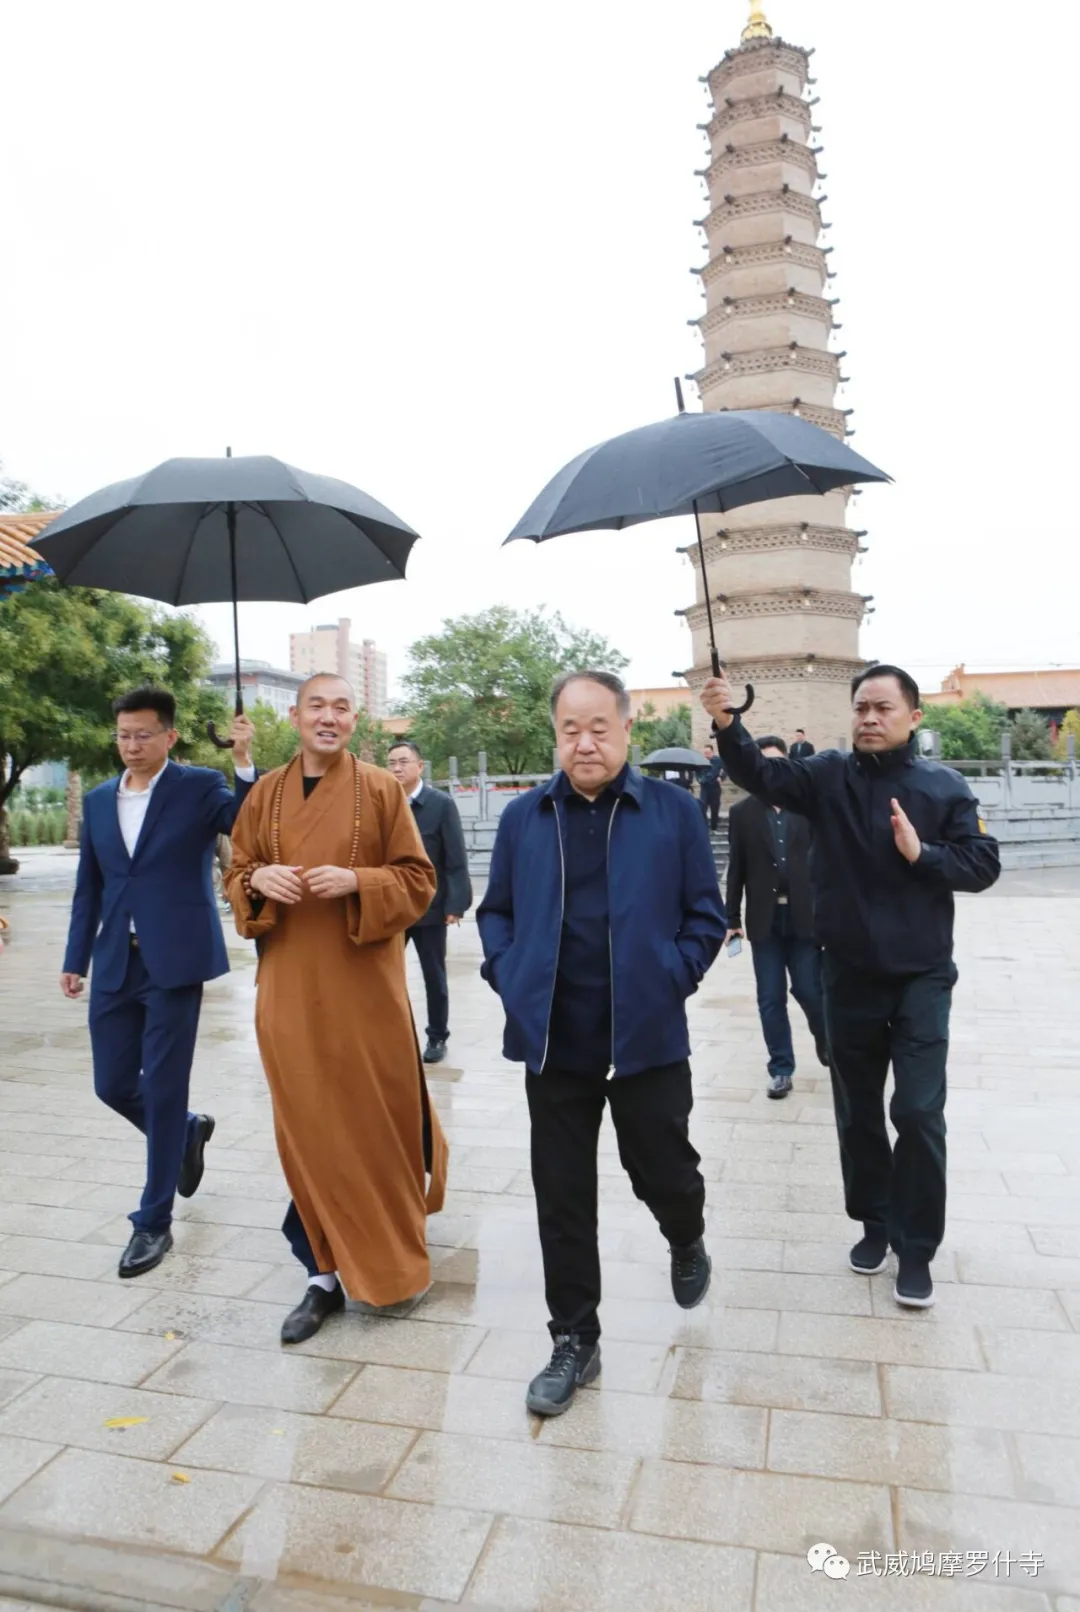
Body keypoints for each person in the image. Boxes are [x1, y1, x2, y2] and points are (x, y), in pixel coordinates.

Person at [702, 663, 1000, 1310]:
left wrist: (924, 854)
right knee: (857, 1110)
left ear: (914, 717)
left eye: (883, 708)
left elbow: (983, 864)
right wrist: (729, 723)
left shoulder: (943, 787)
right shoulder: (826, 777)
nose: (869, 717)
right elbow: (760, 775)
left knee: (918, 1111)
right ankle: (874, 1221)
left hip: (922, 976)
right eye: (861, 706)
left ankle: (916, 1246)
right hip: (847, 973)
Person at [478, 670, 726, 1416]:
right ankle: (573, 1339)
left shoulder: (672, 813)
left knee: (665, 1171)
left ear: (625, 731)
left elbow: (705, 916)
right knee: (562, 1196)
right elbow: (496, 913)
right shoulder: (525, 818)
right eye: (569, 730)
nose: (583, 742)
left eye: (598, 728)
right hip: (555, 1045)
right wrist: (510, 973)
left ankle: (686, 1235)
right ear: (555, 735)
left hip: (645, 1037)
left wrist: (669, 977)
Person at [225, 674, 447, 1345]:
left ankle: (393, 1263)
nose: (329, 717)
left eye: (342, 708)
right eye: (317, 705)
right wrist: (256, 880)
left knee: (376, 1122)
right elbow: (236, 875)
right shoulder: (263, 794)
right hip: (289, 988)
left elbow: (419, 882)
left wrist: (359, 880)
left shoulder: (381, 790)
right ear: (293, 716)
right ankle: (321, 1272)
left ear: (356, 721)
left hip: (366, 988)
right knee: (308, 1128)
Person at [60, 688, 256, 1278]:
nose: (131, 744)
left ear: (169, 737)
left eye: (143, 734)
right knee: (112, 1083)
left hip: (175, 961)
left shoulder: (197, 787)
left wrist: (244, 762)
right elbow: (89, 886)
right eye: (123, 734)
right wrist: (76, 958)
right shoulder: (97, 801)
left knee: (165, 1086)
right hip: (116, 959)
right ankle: (188, 1131)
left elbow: (247, 824)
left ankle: (153, 1222)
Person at [725, 735, 827, 1099]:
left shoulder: (810, 809)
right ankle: (781, 1068)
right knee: (770, 997)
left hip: (806, 918)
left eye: (776, 764)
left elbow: (826, 865)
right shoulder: (742, 814)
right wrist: (731, 918)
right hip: (764, 921)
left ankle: (825, 1037)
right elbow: (735, 869)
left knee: (810, 990)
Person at [386, 740, 473, 1064]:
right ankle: (392, 1034)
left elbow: (455, 859)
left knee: (433, 976)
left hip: (430, 908)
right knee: (385, 975)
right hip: (392, 907)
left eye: (404, 761)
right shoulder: (385, 803)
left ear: (420, 766)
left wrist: (455, 904)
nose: (397, 768)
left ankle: (437, 1037)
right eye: (392, 762)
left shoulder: (440, 804)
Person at [698, 741, 724, 831]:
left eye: (708, 752)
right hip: (704, 787)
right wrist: (700, 779)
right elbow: (697, 773)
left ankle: (714, 827)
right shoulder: (700, 761)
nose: (706, 754)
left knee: (715, 808)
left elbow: (726, 769)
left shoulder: (718, 760)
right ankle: (703, 827)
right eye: (705, 753)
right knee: (702, 806)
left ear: (712, 752)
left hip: (715, 787)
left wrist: (721, 777)